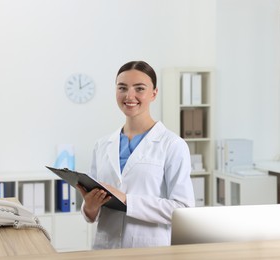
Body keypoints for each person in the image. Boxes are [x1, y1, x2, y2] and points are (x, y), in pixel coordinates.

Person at [77, 60, 195, 249]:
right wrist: (89, 208)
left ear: (154, 93)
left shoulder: (172, 145)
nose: (129, 95)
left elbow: (183, 210)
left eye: (139, 88)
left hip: (148, 249)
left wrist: (127, 200)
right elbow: (93, 214)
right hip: (106, 248)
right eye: (122, 88)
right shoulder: (102, 145)